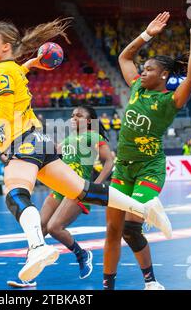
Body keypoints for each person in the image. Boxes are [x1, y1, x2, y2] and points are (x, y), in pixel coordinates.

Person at [0, 18, 172, 283]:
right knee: (82, 189)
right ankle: (145, 207)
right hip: (39, 139)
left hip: (23, 139)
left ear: (6, 47)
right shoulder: (12, 69)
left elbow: (3, 114)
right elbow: (17, 78)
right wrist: (30, 64)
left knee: (15, 194)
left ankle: (39, 248)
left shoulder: (0, 71)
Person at [105, 13, 191, 290]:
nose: (143, 71)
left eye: (149, 69)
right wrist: (147, 34)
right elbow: (124, 59)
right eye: (144, 68)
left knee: (131, 228)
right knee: (114, 230)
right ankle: (108, 285)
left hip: (149, 168)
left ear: (163, 75)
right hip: (123, 168)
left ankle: (151, 282)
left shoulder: (170, 100)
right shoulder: (137, 88)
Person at [8, 105, 115, 288]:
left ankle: (82, 254)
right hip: (60, 187)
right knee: (39, 228)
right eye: (72, 115)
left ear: (89, 121)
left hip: (78, 188)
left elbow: (110, 160)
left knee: (55, 227)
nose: (74, 117)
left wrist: (96, 184)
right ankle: (27, 275)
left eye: (79, 115)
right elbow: (50, 154)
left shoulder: (94, 136)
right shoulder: (68, 139)